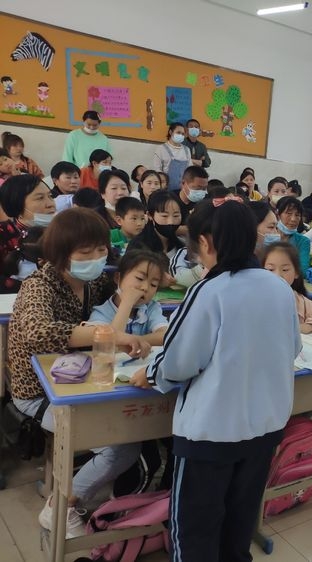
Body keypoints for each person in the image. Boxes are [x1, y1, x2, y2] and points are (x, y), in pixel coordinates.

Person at [131, 199, 299, 562]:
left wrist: (152, 372)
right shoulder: (279, 288)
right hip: (265, 429)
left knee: (195, 533)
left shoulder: (209, 290)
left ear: (206, 243)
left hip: (212, 435)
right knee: (238, 528)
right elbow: (293, 347)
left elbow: (179, 363)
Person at [8, 208, 149, 538]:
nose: (97, 258)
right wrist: (107, 334)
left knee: (136, 431)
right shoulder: (39, 287)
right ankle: (60, 507)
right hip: (40, 394)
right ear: (59, 253)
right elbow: (38, 332)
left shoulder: (94, 281)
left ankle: (118, 495)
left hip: (84, 383)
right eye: (85, 252)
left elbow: (121, 301)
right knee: (121, 448)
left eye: (101, 249)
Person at [88, 249, 168, 344]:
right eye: (140, 278)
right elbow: (110, 344)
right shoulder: (101, 313)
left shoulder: (151, 307)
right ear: (118, 278)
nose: (145, 288)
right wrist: (127, 303)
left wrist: (133, 341)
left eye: (153, 284)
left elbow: (165, 335)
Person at [263, 241, 312, 333]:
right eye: (270, 269)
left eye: (285, 269)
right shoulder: (255, 300)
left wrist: (309, 326)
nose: (277, 275)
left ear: (296, 273)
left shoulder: (300, 301)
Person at [0, 175, 56, 291]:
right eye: (40, 198)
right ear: (17, 205)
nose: (50, 204)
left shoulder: (64, 230)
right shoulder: (3, 233)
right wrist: (36, 289)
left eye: (50, 196)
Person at [128, 191, 184, 286]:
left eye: (176, 216)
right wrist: (155, 279)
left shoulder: (182, 245)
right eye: (164, 216)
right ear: (150, 215)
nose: (171, 221)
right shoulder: (138, 246)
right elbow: (129, 277)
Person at [153, 122, 192, 191]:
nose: (181, 135)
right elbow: (157, 170)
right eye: (178, 132)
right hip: (166, 189)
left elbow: (190, 169)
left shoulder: (187, 150)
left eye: (183, 134)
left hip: (182, 189)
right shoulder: (161, 149)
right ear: (170, 132)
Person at [276, 196, 311, 271]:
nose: (293, 219)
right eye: (289, 213)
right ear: (278, 215)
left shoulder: (303, 241)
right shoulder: (267, 237)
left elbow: (302, 269)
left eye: (297, 215)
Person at [175, 166, 209, 231]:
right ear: (183, 183)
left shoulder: (205, 202)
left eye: (204, 188)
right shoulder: (169, 200)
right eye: (198, 188)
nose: (201, 191)